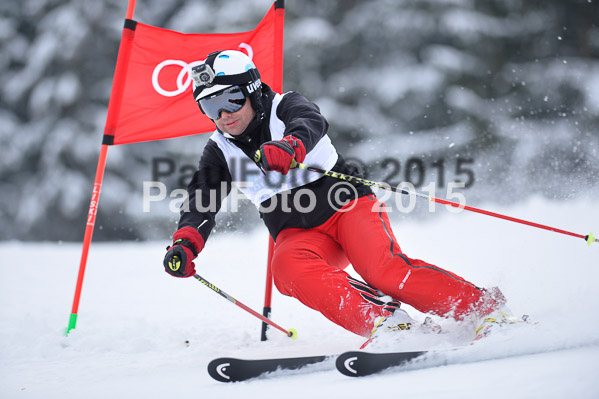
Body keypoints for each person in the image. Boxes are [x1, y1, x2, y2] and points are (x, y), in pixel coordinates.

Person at [163, 49, 510, 343]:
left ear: (252, 90)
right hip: (299, 233)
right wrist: (185, 243)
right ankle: (390, 324)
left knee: (382, 270)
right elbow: (202, 199)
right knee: (285, 269)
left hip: (348, 207)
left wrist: (290, 146)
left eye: (230, 100)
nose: (224, 116)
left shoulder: (286, 106)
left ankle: (483, 308)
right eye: (210, 108)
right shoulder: (219, 149)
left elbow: (310, 122)